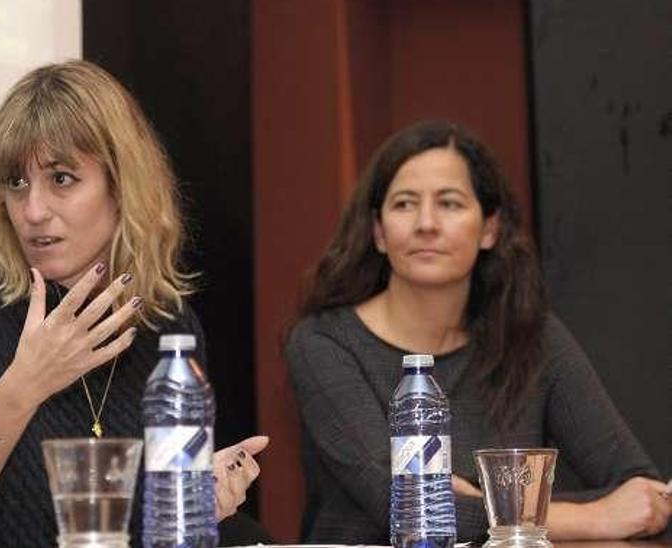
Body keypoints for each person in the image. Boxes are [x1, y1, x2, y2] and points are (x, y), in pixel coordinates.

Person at [0, 59, 268, 547]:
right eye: (16, 182)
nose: (33, 211)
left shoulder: (167, 324)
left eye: (61, 179)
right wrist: (24, 386)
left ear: (122, 185)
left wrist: (194, 506)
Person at [285, 120, 671, 543]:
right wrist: (590, 517)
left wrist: (478, 502)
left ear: (490, 228)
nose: (426, 223)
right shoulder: (324, 342)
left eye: (449, 203)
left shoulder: (532, 336)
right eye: (404, 205)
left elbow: (641, 494)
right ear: (378, 232)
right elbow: (405, 504)